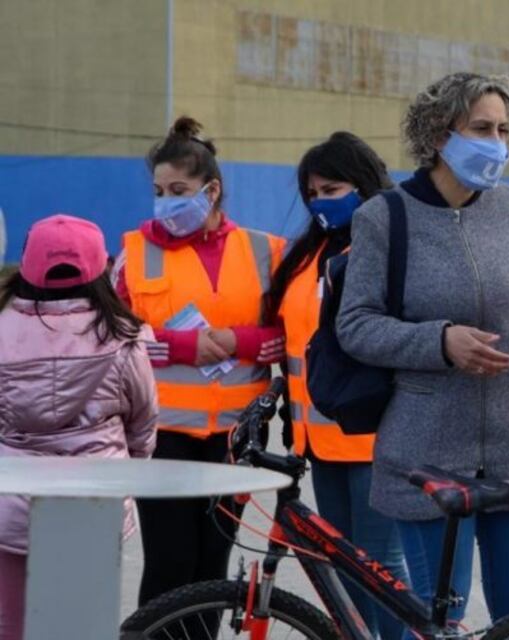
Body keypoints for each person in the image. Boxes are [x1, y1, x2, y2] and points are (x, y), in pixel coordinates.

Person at [336, 72, 509, 627]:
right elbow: (356, 325)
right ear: (441, 135)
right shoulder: (384, 218)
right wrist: (440, 342)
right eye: (482, 129)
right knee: (440, 615)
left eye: (504, 131)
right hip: (427, 452)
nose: (496, 143)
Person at [113, 116, 287, 606]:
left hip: (237, 432)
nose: (166, 201)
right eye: (159, 190)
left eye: (178, 189)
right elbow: (116, 337)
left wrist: (238, 340)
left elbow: (289, 331)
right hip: (161, 431)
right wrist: (185, 347)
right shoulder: (133, 252)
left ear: (211, 191)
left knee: (212, 565)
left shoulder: (265, 251)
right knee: (169, 562)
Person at [263, 132, 408, 639]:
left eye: (332, 189)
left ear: (365, 186)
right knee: (346, 573)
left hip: (373, 440)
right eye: (314, 193)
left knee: (381, 570)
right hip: (319, 441)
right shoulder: (308, 256)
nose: (321, 202)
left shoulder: (388, 248)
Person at [0, 214, 158, 640]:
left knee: (11, 624)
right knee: (83, 626)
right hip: (95, 503)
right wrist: (126, 467)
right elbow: (143, 426)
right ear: (100, 270)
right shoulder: (124, 337)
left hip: (10, 508)